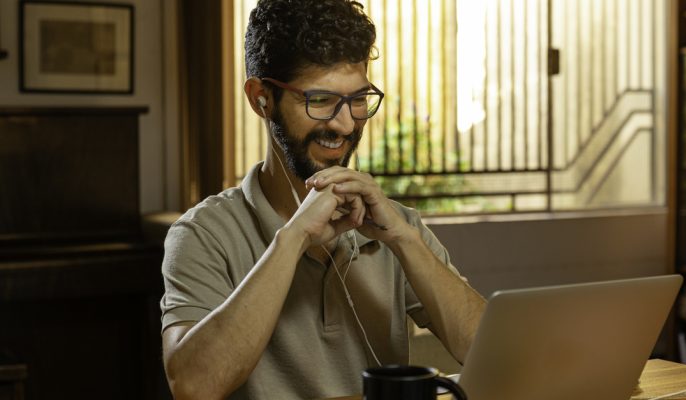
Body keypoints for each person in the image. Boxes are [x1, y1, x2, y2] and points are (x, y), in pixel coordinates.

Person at [159, 0, 486, 398]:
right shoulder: (203, 234)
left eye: (359, 99)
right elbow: (193, 386)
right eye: (320, 100)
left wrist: (405, 241)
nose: (345, 124)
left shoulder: (396, 226)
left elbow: (490, 355)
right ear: (260, 97)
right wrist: (293, 238)